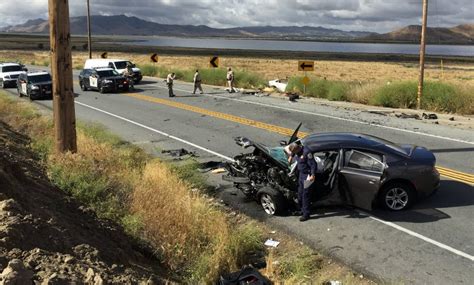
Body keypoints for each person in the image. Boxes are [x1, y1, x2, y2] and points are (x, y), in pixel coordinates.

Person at [288, 143, 317, 222]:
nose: (295, 153)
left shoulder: (307, 152)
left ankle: (306, 214)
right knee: (300, 194)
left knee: (305, 195)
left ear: (298, 149)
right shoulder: (297, 150)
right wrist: (291, 156)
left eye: (295, 152)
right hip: (301, 175)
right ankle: (301, 210)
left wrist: (313, 175)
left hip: (308, 176)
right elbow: (293, 151)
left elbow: (313, 165)